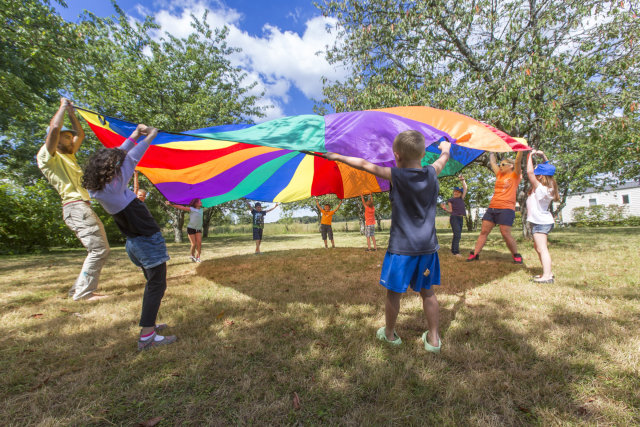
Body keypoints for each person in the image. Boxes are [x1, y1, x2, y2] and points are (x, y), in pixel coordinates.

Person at [325, 130, 451, 354]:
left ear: (397, 156)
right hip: (427, 249)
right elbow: (443, 159)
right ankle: (433, 339)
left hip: (401, 250)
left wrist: (338, 157)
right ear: (423, 154)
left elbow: (364, 164)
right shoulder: (432, 173)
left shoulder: (396, 175)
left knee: (393, 294)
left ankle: (390, 334)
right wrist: (446, 149)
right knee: (428, 292)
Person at [82, 124, 177, 350]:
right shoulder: (115, 185)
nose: (117, 165)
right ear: (110, 169)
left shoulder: (98, 188)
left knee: (153, 284)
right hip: (145, 241)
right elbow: (132, 157)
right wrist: (150, 136)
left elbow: (121, 155)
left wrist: (134, 133)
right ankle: (147, 336)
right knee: (157, 285)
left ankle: (149, 326)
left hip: (135, 242)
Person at [37, 97, 109, 301]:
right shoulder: (48, 157)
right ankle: (84, 293)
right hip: (75, 207)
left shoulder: (69, 156)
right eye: (66, 137)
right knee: (99, 250)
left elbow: (82, 134)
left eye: (70, 137)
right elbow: (53, 130)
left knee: (98, 249)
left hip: (80, 207)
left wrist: (72, 114)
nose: (71, 140)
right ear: (56, 139)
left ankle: (77, 290)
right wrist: (61, 107)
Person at [467, 151, 524, 263]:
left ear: (510, 166)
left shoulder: (515, 175)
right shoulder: (499, 174)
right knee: (484, 232)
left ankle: (516, 255)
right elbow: (492, 162)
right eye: (500, 164)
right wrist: (491, 150)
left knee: (505, 233)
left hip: (506, 208)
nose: (500, 166)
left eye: (503, 164)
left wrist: (520, 149)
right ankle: (475, 254)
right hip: (492, 207)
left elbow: (518, 161)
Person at [526, 150, 559, 283]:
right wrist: (543, 157)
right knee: (538, 247)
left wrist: (530, 155)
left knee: (542, 248)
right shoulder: (549, 186)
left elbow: (529, 172)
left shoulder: (541, 188)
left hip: (541, 222)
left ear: (539, 176)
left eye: (536, 172)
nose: (534, 172)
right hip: (541, 221)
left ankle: (547, 276)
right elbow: (548, 168)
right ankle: (547, 272)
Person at [440, 176, 467, 256]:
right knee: (457, 234)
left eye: (458, 192)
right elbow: (451, 211)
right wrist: (445, 208)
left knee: (458, 235)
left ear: (461, 194)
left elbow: (465, 188)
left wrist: (463, 180)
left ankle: (454, 249)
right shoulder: (451, 200)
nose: (456, 193)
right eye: (455, 191)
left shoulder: (461, 199)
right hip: (454, 218)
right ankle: (455, 252)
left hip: (460, 218)